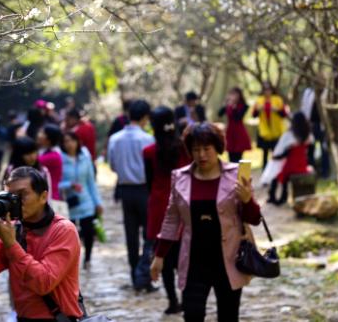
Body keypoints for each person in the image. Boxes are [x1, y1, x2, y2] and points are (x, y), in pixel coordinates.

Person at [151, 123, 262, 322]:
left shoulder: (236, 174)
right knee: (192, 314)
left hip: (228, 259)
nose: (201, 155)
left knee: (228, 316)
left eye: (206, 149)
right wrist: (159, 256)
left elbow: (254, 219)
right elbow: (172, 218)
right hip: (193, 260)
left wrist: (247, 200)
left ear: (217, 148)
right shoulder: (180, 178)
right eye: (195, 149)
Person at [0, 166, 83, 321]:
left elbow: (44, 283)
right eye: (10, 197)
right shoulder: (14, 229)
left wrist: (11, 244)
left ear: (43, 197)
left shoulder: (63, 230)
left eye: (21, 196)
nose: (14, 203)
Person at [143, 106, 190, 315]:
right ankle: (188, 298)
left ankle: (173, 301)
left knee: (164, 256)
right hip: (184, 205)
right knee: (185, 255)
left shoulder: (149, 152)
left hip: (159, 206)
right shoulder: (186, 149)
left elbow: (149, 181)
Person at [107, 99, 155, 289]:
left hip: (125, 189)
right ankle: (145, 275)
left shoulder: (115, 139)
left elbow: (112, 165)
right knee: (149, 234)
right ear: (145, 117)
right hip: (144, 189)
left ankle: (135, 274)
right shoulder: (148, 139)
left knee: (131, 234)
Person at [60, 131, 103, 269]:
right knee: (69, 234)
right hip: (67, 203)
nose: (69, 144)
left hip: (86, 201)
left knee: (88, 231)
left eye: (72, 140)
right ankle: (70, 261)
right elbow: (55, 183)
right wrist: (69, 185)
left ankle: (88, 258)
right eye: (66, 141)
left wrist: (97, 202)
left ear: (78, 142)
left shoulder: (85, 158)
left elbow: (91, 182)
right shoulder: (59, 159)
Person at [265, 111, 313, 205]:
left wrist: (275, 157)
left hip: (291, 165)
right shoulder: (307, 135)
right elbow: (310, 149)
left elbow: (284, 153)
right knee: (282, 174)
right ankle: (280, 197)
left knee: (279, 174)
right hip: (302, 164)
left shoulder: (290, 136)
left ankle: (277, 197)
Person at [252, 81, 287, 170]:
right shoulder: (259, 100)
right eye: (265, 90)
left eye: (269, 89)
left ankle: (275, 174)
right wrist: (258, 109)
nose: (267, 92)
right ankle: (264, 174)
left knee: (276, 154)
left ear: (272, 90)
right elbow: (254, 115)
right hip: (264, 133)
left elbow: (284, 114)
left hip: (276, 132)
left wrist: (276, 110)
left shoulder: (278, 100)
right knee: (265, 154)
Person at [301, 85, 330, 178]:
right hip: (311, 126)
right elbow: (305, 109)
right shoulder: (308, 93)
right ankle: (311, 171)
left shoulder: (326, 93)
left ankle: (325, 172)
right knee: (310, 149)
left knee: (324, 149)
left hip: (322, 126)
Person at [217, 87, 252, 163]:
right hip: (230, 132)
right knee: (230, 156)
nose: (233, 96)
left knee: (238, 157)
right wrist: (226, 104)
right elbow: (219, 114)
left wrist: (234, 107)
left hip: (239, 133)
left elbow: (238, 118)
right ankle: (232, 173)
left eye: (235, 94)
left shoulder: (244, 106)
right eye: (232, 94)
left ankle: (239, 173)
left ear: (239, 95)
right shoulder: (228, 105)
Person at [37, 124, 64, 200]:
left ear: (48, 139)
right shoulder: (46, 151)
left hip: (49, 197)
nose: (39, 135)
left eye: (42, 133)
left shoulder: (52, 156)